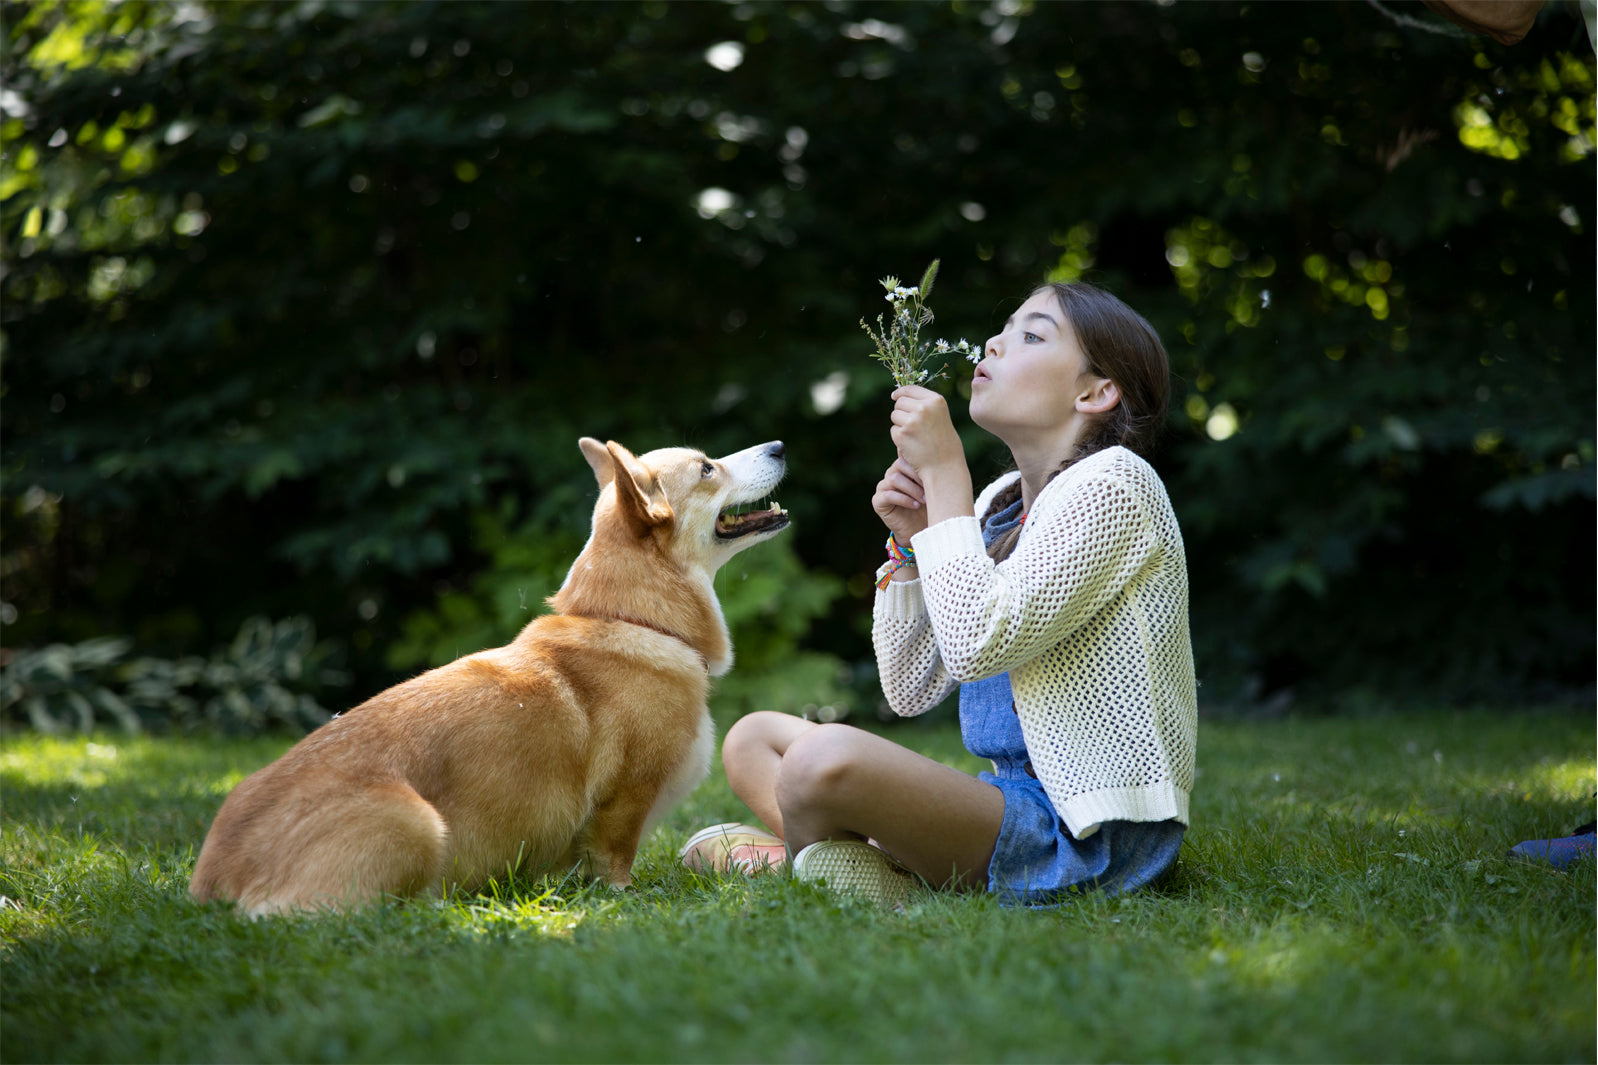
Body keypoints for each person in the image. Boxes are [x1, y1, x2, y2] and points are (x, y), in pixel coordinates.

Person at [682, 280, 1198, 907]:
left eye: (1031, 335)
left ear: (1095, 392)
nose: (996, 344)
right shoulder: (997, 505)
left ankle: (861, 874)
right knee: (753, 738)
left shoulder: (1119, 484)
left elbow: (981, 644)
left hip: (1087, 835)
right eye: (1003, 329)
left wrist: (947, 474)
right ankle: (862, 865)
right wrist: (910, 551)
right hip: (1008, 806)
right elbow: (908, 689)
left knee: (824, 758)